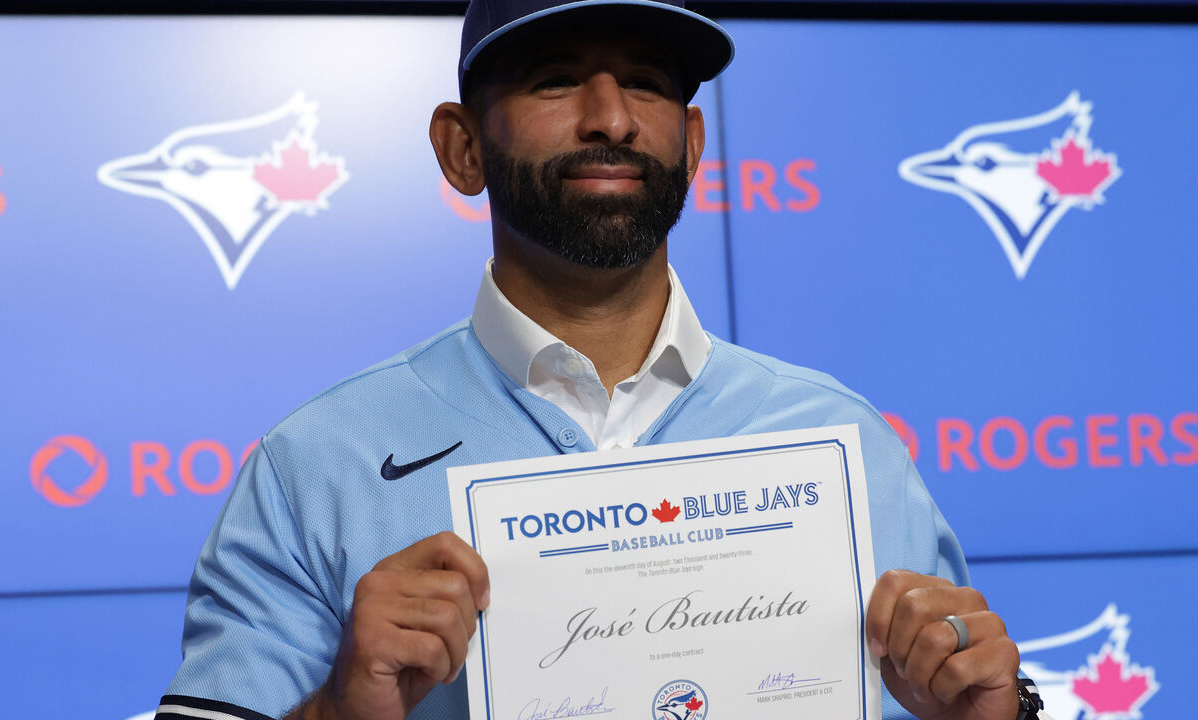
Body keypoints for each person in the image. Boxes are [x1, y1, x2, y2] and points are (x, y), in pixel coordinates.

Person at [155, 1, 1040, 720]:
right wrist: (339, 716)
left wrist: (991, 717)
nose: (610, 117)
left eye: (646, 86)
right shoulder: (317, 464)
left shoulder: (844, 441)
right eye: (556, 79)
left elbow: (966, 693)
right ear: (462, 149)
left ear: (693, 145)